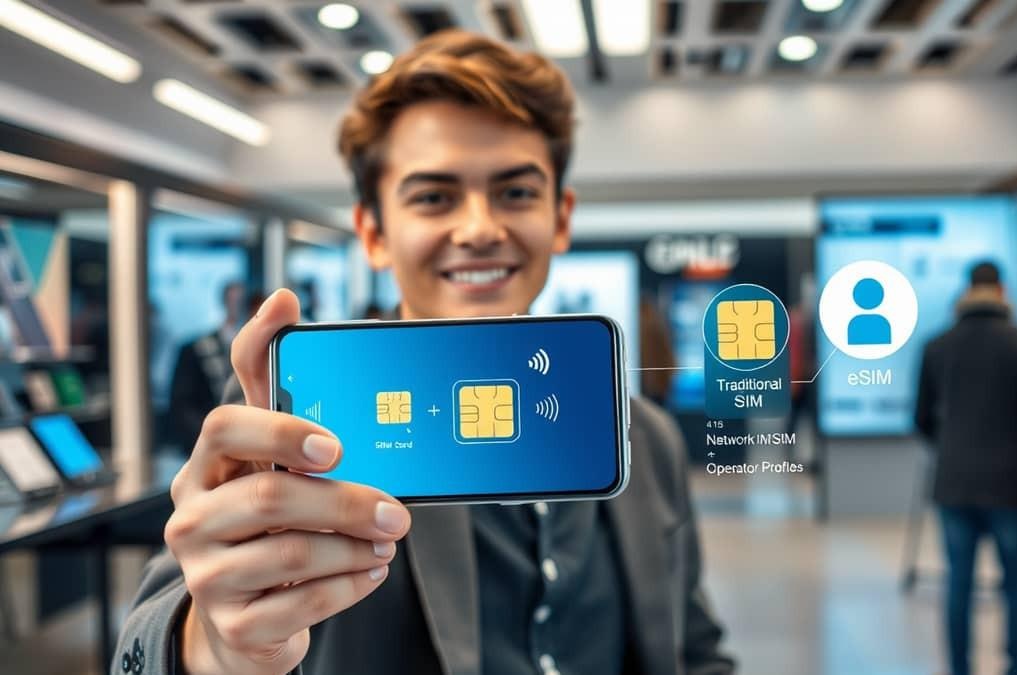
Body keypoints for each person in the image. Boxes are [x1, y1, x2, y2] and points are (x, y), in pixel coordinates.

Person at [114, 31, 734, 675]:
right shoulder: (299, 422)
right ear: (374, 233)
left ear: (559, 218)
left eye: (516, 193)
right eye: (434, 197)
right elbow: (152, 633)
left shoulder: (645, 437)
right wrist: (214, 644)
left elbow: (693, 649)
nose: (479, 229)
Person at [914, 261, 1017, 675]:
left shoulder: (937, 345)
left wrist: (950, 449)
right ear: (1003, 290)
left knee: (958, 583)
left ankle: (960, 669)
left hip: (954, 483)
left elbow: (921, 417)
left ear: (967, 291)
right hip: (1012, 484)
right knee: (1016, 584)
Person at [165, 280, 245, 452]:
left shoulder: (268, 350)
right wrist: (209, 437)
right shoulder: (196, 349)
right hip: (206, 444)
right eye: (235, 301)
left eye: (243, 302)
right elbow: (182, 405)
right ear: (225, 302)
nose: (239, 307)